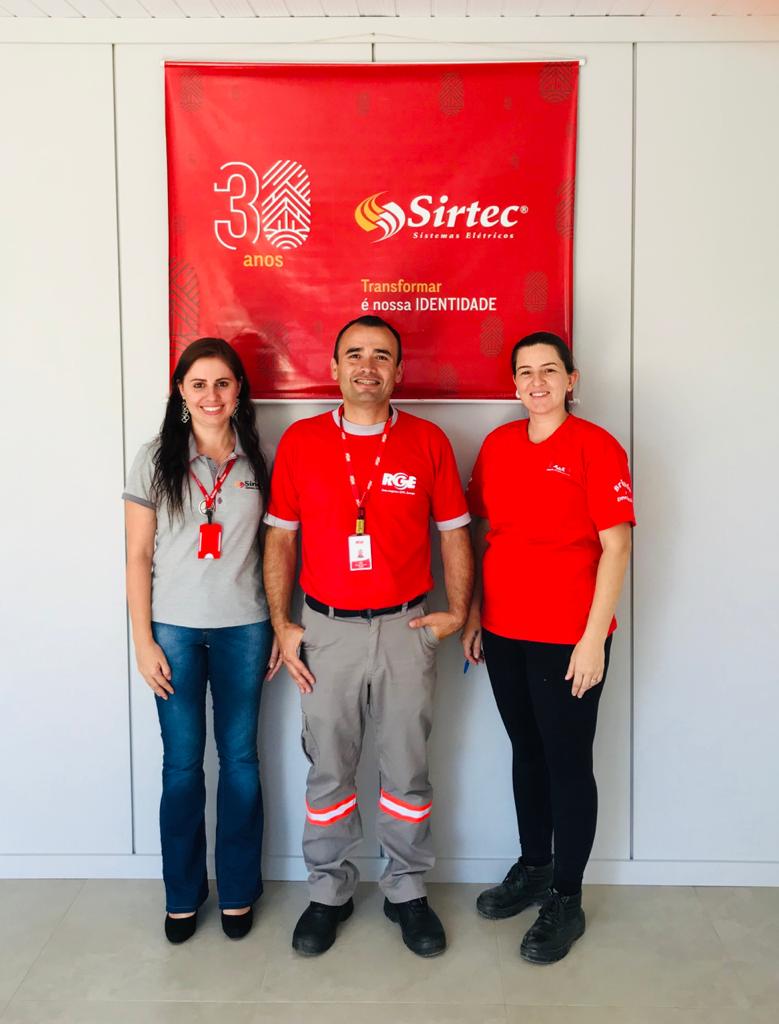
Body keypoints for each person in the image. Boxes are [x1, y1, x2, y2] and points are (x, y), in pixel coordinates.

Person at [263, 315, 473, 958]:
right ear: (334, 368)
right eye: (354, 354)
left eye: (382, 356)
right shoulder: (301, 441)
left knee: (407, 767)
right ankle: (328, 891)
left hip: (407, 628)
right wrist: (282, 623)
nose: (367, 366)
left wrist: (457, 611)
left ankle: (406, 889)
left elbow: (455, 533)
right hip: (326, 631)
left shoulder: (428, 440)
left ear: (398, 371)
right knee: (329, 767)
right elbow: (280, 538)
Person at [462, 331, 634, 964]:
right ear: (514, 383)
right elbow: (484, 531)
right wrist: (475, 611)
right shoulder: (498, 445)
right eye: (526, 372)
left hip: (569, 638)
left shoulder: (597, 446)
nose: (537, 382)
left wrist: (592, 639)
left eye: (549, 370)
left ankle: (567, 897)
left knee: (567, 762)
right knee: (526, 752)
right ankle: (534, 866)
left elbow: (617, 545)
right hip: (504, 631)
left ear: (571, 379)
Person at [123, 337, 281, 944]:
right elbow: (138, 556)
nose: (211, 395)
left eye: (222, 383)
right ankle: (183, 894)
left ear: (238, 391)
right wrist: (143, 641)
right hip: (175, 632)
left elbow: (277, 552)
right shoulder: (155, 458)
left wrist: (280, 623)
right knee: (183, 766)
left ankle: (237, 890)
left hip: (245, 629)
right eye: (198, 384)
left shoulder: (259, 460)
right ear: (181, 394)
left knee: (240, 763)